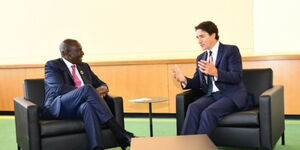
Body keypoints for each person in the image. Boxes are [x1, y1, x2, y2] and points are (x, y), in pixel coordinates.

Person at [43, 39, 134, 150]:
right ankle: (119, 132)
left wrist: (104, 88)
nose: (82, 53)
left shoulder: (84, 66)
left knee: (88, 106)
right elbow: (58, 88)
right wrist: (91, 91)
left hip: (80, 106)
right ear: (67, 53)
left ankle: (97, 147)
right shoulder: (52, 65)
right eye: (79, 50)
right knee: (87, 89)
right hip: (59, 105)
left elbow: (100, 83)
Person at [172, 21, 251, 137]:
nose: (199, 41)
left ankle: (200, 147)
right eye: (197, 37)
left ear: (213, 35)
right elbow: (198, 81)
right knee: (193, 107)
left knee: (208, 113)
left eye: (202, 36)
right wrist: (184, 79)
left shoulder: (231, 50)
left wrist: (216, 72)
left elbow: (237, 77)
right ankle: (185, 145)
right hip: (212, 96)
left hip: (231, 95)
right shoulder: (201, 57)